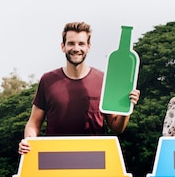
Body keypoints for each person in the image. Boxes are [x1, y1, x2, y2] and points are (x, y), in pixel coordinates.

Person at [18, 21, 140, 154]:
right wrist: (28, 140)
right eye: (71, 43)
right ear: (63, 46)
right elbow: (34, 122)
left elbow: (116, 127)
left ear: (89, 47)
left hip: (94, 157)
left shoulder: (103, 80)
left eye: (81, 44)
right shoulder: (48, 80)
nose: (76, 48)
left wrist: (127, 107)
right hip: (54, 157)